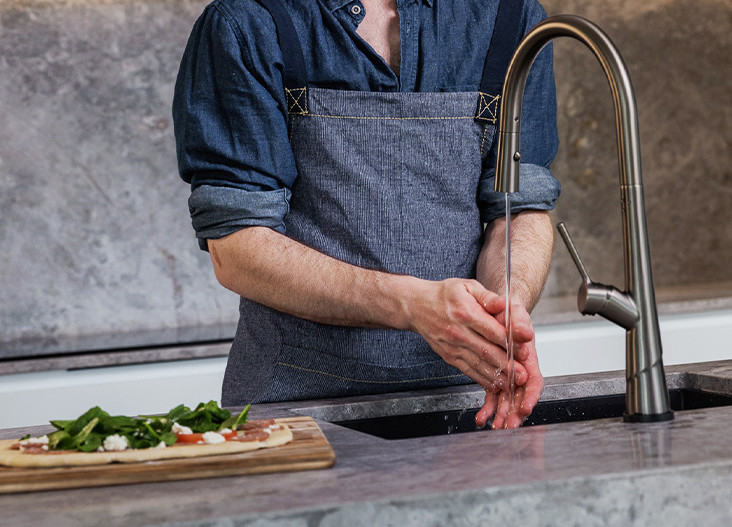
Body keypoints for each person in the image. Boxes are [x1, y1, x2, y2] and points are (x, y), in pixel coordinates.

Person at [173, 0, 560, 429]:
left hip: (472, 406)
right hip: (293, 413)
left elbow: (518, 209)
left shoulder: (510, 16)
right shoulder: (248, 21)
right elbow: (236, 250)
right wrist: (412, 305)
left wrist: (506, 312)